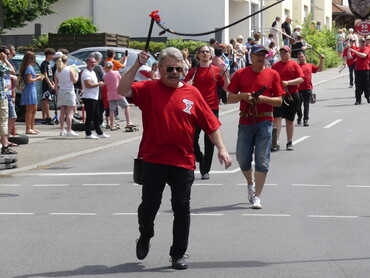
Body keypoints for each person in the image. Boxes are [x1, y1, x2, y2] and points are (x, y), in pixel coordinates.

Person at [117, 47, 232, 270]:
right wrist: (137, 65)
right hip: (153, 159)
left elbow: (211, 125)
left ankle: (178, 254)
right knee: (149, 206)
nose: (173, 72)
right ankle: (145, 234)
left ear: (183, 69)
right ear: (159, 69)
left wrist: (222, 149)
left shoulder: (192, 93)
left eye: (178, 68)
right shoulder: (149, 88)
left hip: (183, 161)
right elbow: (122, 89)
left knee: (182, 209)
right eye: (169, 68)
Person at [227, 45, 284, 209]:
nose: (261, 57)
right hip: (245, 121)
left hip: (265, 121)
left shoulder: (273, 74)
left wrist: (264, 99)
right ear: (250, 57)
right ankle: (250, 182)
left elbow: (279, 100)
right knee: (242, 158)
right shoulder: (240, 73)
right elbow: (229, 98)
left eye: (263, 55)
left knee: (262, 159)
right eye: (258, 54)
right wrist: (244, 96)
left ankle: (257, 196)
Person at [184, 45, 230, 180]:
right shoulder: (192, 71)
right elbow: (182, 89)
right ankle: (199, 157)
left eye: (207, 52)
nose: (205, 54)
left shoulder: (216, 70)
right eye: (202, 52)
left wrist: (225, 73)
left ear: (211, 55)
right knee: (192, 138)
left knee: (210, 141)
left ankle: (205, 169)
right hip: (195, 108)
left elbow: (227, 87)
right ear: (197, 55)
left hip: (211, 108)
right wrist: (189, 85)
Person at [271, 46, 304, 151]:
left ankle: (289, 141)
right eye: (281, 52)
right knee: (277, 118)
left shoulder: (294, 64)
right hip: (279, 95)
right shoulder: (276, 66)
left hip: (292, 95)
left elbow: (301, 79)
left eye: (285, 52)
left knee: (290, 120)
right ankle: (275, 142)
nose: (283, 54)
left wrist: (288, 83)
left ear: (289, 53)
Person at [81, 57, 110, 139]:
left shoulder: (93, 72)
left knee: (96, 116)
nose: (93, 64)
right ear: (87, 63)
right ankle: (88, 133)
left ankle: (99, 132)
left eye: (94, 62)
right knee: (90, 116)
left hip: (94, 97)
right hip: (88, 97)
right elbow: (87, 85)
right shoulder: (86, 72)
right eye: (91, 62)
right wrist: (98, 84)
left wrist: (99, 83)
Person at [104, 61, 135, 130]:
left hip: (110, 94)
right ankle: (128, 122)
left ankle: (112, 125)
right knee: (126, 106)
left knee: (112, 110)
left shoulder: (105, 76)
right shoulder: (116, 73)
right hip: (118, 93)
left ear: (106, 67)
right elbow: (121, 80)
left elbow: (106, 84)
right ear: (112, 66)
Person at [296, 51, 324, 126]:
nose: (301, 58)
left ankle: (306, 120)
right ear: (297, 59)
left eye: (302, 56)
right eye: (299, 57)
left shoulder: (310, 65)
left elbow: (320, 69)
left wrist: (321, 60)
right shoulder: (296, 66)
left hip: (307, 88)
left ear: (305, 57)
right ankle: (299, 117)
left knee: (306, 105)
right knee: (298, 106)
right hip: (297, 89)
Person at [54, 54, 79, 137]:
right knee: (69, 112)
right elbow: (74, 80)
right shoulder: (70, 69)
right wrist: (77, 74)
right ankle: (69, 130)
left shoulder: (57, 71)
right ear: (67, 61)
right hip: (69, 91)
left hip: (61, 91)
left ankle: (62, 129)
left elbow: (56, 85)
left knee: (62, 112)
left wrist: (57, 94)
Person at [19, 51, 44, 135]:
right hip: (29, 89)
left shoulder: (26, 67)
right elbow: (29, 80)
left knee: (33, 109)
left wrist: (35, 76)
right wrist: (37, 79)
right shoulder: (29, 67)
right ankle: (28, 128)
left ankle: (32, 127)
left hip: (31, 89)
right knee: (30, 110)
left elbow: (29, 78)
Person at [0, 46, 17, 155]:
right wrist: (5, 60)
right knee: (3, 121)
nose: (8, 55)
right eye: (6, 53)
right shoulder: (1, 64)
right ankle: (5, 146)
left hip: (4, 94)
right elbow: (12, 70)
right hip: (1, 97)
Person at [349, 38, 370, 105]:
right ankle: (358, 100)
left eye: (363, 42)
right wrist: (349, 49)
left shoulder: (366, 48)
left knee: (366, 85)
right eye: (361, 42)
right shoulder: (357, 50)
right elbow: (350, 57)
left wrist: (354, 51)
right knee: (358, 85)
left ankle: (368, 97)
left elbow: (364, 55)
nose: (362, 43)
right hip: (357, 69)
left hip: (365, 69)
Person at [88, 52, 105, 127]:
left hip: (91, 89)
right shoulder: (98, 67)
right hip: (99, 88)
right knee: (100, 107)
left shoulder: (89, 68)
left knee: (93, 107)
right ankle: (99, 121)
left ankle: (93, 121)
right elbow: (103, 77)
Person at [40, 48, 56, 125]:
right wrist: (50, 84)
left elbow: (50, 75)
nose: (53, 56)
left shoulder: (49, 64)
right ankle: (48, 117)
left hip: (50, 83)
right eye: (52, 55)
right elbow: (45, 76)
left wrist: (53, 83)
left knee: (46, 100)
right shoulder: (44, 64)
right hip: (46, 85)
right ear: (48, 55)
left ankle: (45, 117)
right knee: (46, 100)